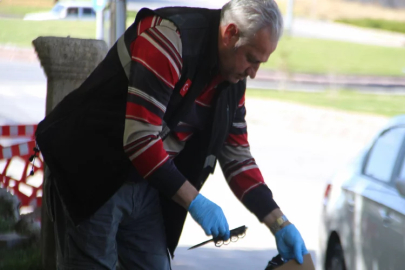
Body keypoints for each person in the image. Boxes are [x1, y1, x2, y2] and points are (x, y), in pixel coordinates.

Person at [35, 0, 308, 269]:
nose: (254, 73)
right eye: (251, 59)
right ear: (230, 33)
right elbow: (140, 140)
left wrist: (279, 223)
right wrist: (195, 201)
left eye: (260, 63)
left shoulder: (233, 79)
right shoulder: (169, 40)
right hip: (91, 167)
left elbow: (238, 157)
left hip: (145, 182)